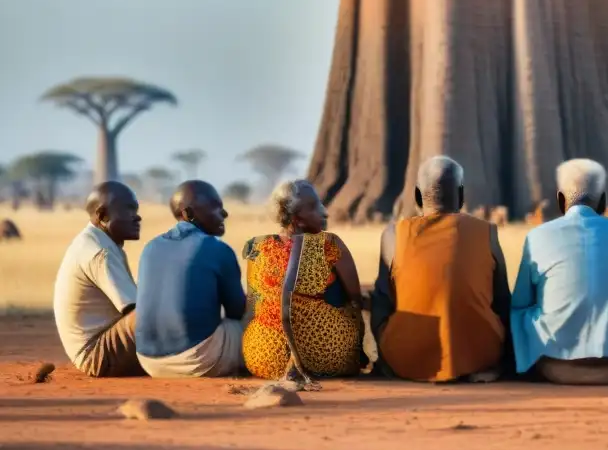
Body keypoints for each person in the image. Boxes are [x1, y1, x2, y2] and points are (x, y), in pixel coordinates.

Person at [511, 159, 608, 385]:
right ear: (603, 201)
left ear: (560, 199)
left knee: (520, 312)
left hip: (552, 365)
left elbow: (521, 302)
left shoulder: (537, 236)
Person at [371, 156, 511, 383]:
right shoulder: (487, 232)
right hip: (480, 355)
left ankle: (386, 364)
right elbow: (502, 298)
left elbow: (384, 297)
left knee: (379, 297)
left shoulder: (393, 235)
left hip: (406, 357)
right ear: (462, 195)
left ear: (417, 196)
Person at [242, 180, 364, 387]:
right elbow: (356, 299)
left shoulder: (256, 246)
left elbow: (254, 304)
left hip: (263, 357)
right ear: (297, 219)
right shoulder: (330, 244)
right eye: (315, 207)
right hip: (324, 357)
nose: (324, 213)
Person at [135, 181, 246, 378]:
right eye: (215, 207)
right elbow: (236, 312)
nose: (224, 214)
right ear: (189, 214)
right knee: (261, 320)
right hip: (198, 360)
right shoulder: (217, 249)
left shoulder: (150, 247)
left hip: (147, 362)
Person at [53, 182, 145, 377]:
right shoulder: (100, 252)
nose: (137, 217)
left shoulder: (97, 241)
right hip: (97, 354)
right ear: (103, 215)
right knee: (161, 310)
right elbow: (135, 310)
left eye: (135, 210)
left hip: (99, 347)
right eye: (128, 211)